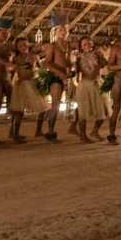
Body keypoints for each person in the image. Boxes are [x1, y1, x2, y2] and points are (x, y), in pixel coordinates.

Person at [42, 14, 77, 144]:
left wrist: (71, 68)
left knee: (77, 101)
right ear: (55, 32)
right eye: (60, 30)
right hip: (56, 78)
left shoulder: (68, 46)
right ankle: (50, 133)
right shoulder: (52, 46)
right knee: (56, 105)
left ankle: (73, 127)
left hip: (67, 79)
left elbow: (68, 62)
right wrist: (59, 72)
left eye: (66, 30)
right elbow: (46, 63)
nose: (63, 32)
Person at [8, 38, 49, 143]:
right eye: (20, 45)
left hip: (33, 84)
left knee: (44, 107)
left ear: (28, 45)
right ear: (17, 47)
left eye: (25, 44)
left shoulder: (34, 56)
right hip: (21, 84)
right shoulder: (15, 59)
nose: (23, 47)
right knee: (19, 111)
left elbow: (41, 69)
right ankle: (15, 135)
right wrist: (11, 85)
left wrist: (43, 81)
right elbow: (12, 73)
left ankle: (38, 130)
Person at [75, 36, 111, 143]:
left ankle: (95, 131)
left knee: (104, 110)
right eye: (84, 44)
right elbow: (76, 72)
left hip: (97, 84)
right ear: (81, 46)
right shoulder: (78, 57)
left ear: (93, 44)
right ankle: (83, 136)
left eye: (89, 43)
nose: (87, 46)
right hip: (85, 85)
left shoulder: (98, 55)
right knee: (83, 112)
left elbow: (106, 64)